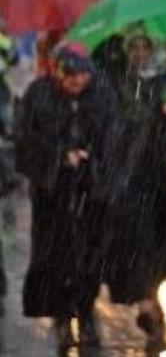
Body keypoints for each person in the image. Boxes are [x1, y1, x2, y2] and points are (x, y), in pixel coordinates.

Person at [13, 43, 113, 349]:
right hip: (52, 192)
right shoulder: (38, 94)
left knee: (90, 254)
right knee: (55, 254)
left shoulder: (101, 95)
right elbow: (25, 138)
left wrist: (93, 157)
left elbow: (114, 134)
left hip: (91, 189)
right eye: (70, 75)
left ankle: (85, 312)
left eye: (82, 75)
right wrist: (58, 156)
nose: (77, 82)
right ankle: (60, 315)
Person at [99, 33, 166, 344]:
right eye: (133, 48)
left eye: (144, 47)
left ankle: (153, 295)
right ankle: (147, 302)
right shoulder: (116, 78)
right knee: (137, 239)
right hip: (129, 171)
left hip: (164, 173)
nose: (138, 53)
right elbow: (111, 119)